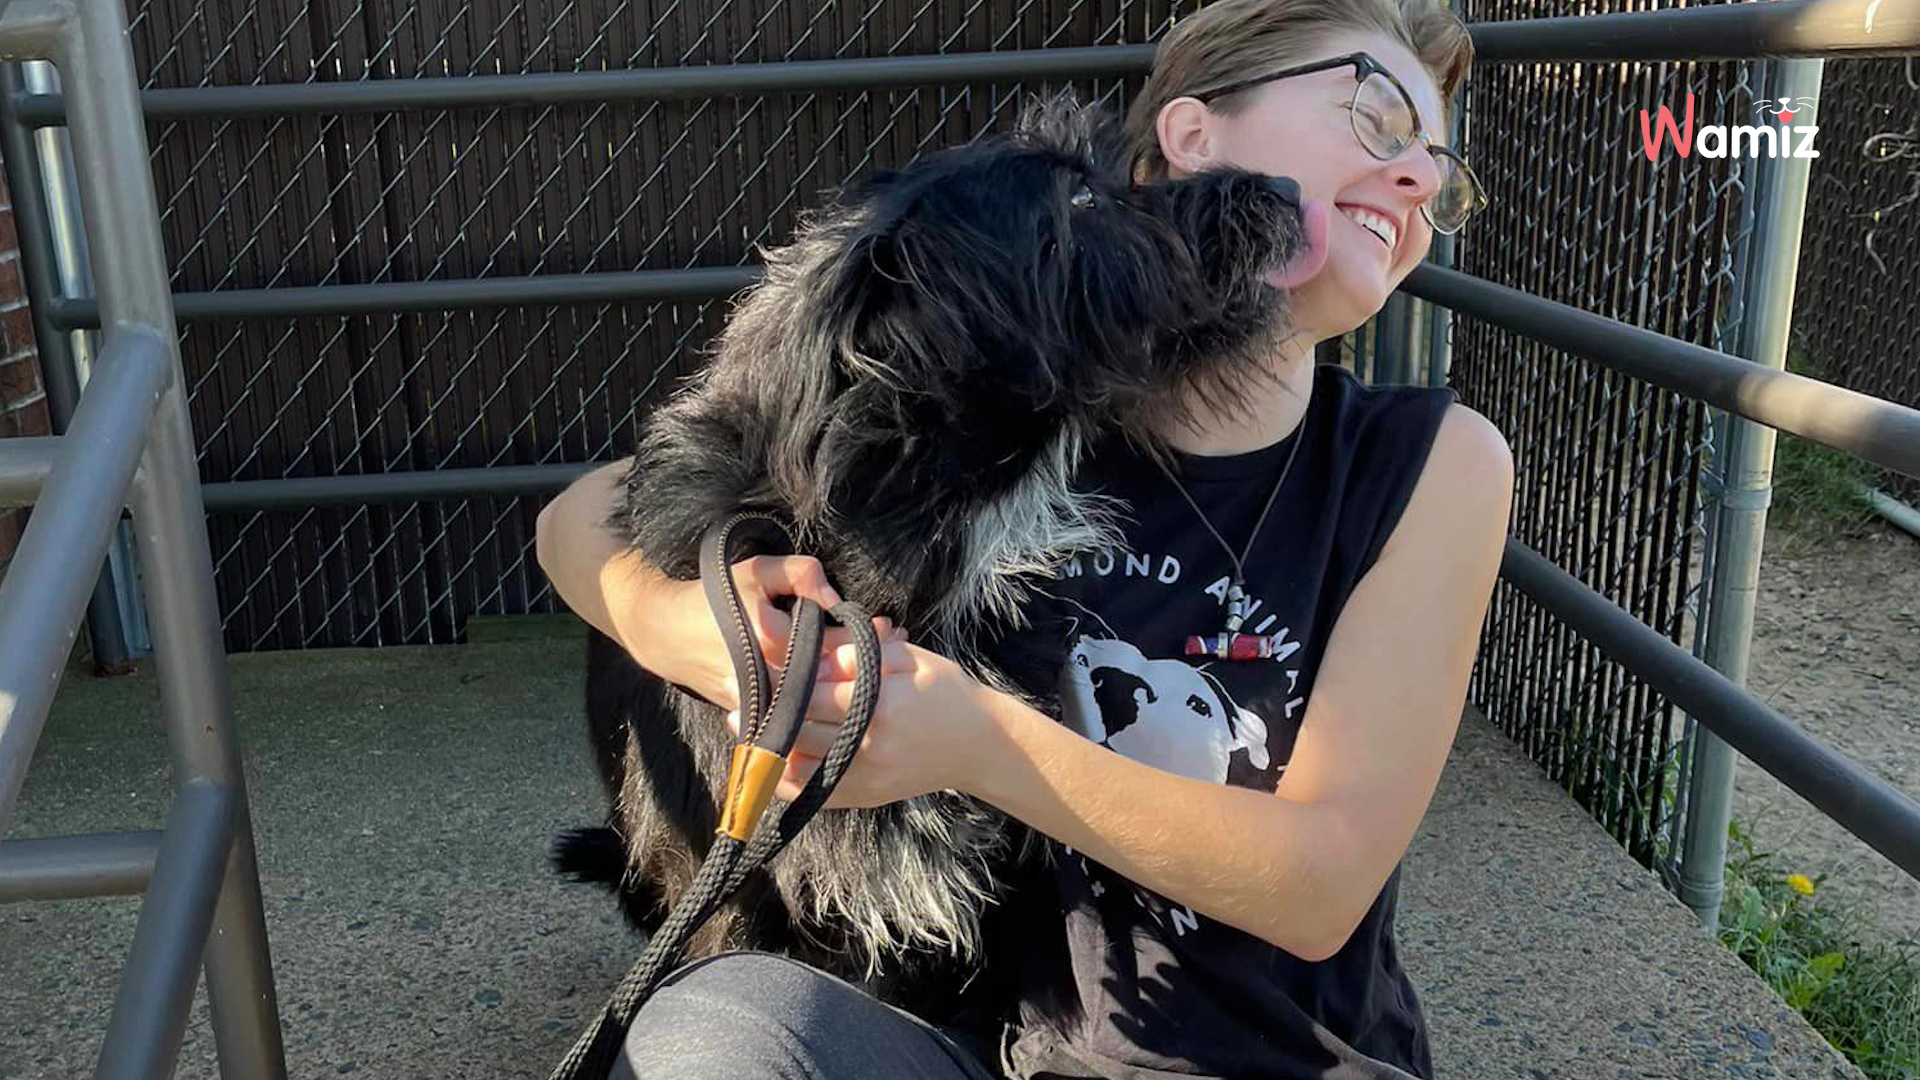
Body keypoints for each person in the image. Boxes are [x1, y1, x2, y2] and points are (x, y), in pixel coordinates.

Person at [533, 0, 1513, 1076]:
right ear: (1192, 135)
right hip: (1003, 1046)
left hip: (1297, 1061)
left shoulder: (1432, 463)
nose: (1414, 176)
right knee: (715, 1032)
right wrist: (692, 624)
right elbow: (590, 513)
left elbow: (1323, 888)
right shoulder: (1041, 373)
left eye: (1438, 170)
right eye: (1375, 114)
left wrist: (976, 741)